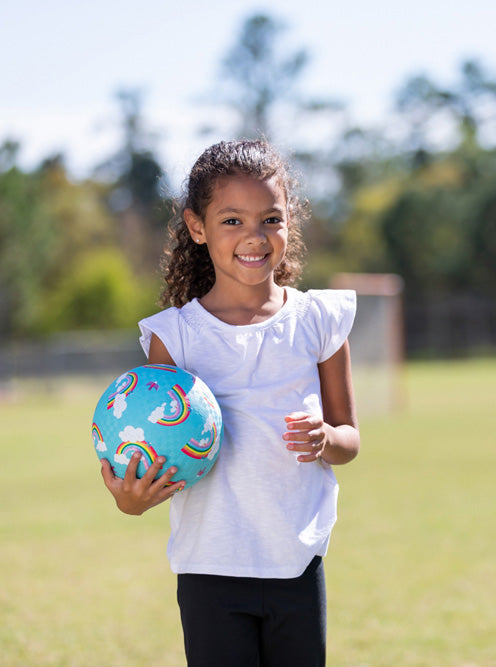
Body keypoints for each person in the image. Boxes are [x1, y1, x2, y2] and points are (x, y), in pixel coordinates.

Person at [99, 140, 360, 666]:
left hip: (296, 563)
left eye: (270, 219)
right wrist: (131, 499)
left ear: (290, 222)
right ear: (198, 228)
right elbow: (151, 444)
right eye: (232, 221)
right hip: (210, 567)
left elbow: (349, 439)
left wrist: (326, 438)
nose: (255, 237)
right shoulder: (176, 337)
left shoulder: (318, 321)